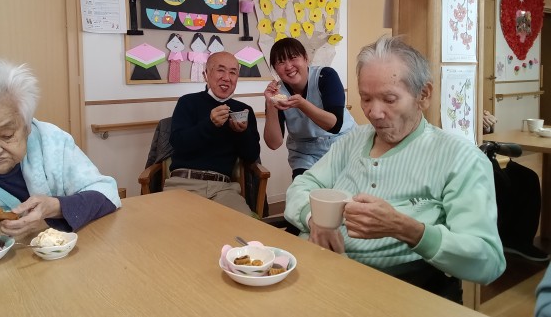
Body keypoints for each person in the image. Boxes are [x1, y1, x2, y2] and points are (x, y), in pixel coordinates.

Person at [284, 36, 505, 302]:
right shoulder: (353, 140)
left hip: (387, 293)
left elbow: (487, 261)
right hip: (315, 273)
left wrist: (406, 229)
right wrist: (315, 219)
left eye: (389, 99)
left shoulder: (459, 158)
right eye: (366, 98)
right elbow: (301, 186)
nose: (374, 113)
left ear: (424, 95)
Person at [0, 59, 121, 241]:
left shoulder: (52, 141)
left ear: (27, 128)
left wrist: (56, 207)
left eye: (7, 135)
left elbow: (106, 192)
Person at [166, 51, 260, 215]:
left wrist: (242, 133)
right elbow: (179, 142)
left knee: (244, 226)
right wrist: (210, 124)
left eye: (233, 72)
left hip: (223, 188)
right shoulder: (187, 102)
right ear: (206, 74)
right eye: (220, 70)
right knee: (174, 227)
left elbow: (251, 156)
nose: (227, 78)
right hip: (184, 183)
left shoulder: (243, 111)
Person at [263, 38, 356, 178]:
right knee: (303, 188)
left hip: (343, 145)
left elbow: (335, 125)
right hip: (305, 154)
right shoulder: (277, 93)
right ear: (275, 69)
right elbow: (274, 144)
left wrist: (302, 104)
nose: (288, 66)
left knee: (345, 188)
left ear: (306, 58)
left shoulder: (326, 76)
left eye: (293, 58)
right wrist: (271, 104)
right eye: (281, 62)